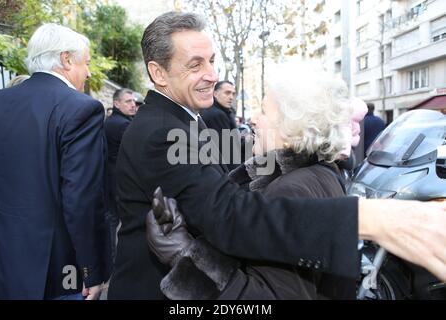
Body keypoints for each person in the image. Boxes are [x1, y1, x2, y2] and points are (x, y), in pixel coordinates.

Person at [107, 11, 446, 300]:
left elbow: (228, 161)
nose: (211, 74)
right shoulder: (163, 131)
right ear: (159, 73)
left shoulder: (181, 121)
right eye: (195, 65)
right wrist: (372, 218)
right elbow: (232, 216)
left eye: (211, 61)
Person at [146, 61, 358, 299]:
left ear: (291, 129)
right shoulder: (321, 173)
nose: (254, 119)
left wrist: (182, 252)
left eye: (265, 111)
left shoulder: (291, 190)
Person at [0, 23, 111, 300]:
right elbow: (81, 198)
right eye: (87, 62)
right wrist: (91, 271)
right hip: (57, 271)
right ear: (66, 59)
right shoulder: (81, 108)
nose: (89, 72)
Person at [104, 88, 137, 264]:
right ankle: (118, 262)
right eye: (128, 101)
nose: (133, 105)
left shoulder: (112, 121)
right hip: (120, 182)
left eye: (133, 101)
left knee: (112, 221)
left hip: (111, 180)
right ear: (116, 103)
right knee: (125, 224)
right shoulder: (122, 124)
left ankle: (111, 260)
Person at [200, 80, 241, 171]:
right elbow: (227, 150)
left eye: (233, 94)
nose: (231, 97)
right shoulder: (216, 114)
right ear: (215, 93)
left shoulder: (221, 112)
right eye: (227, 93)